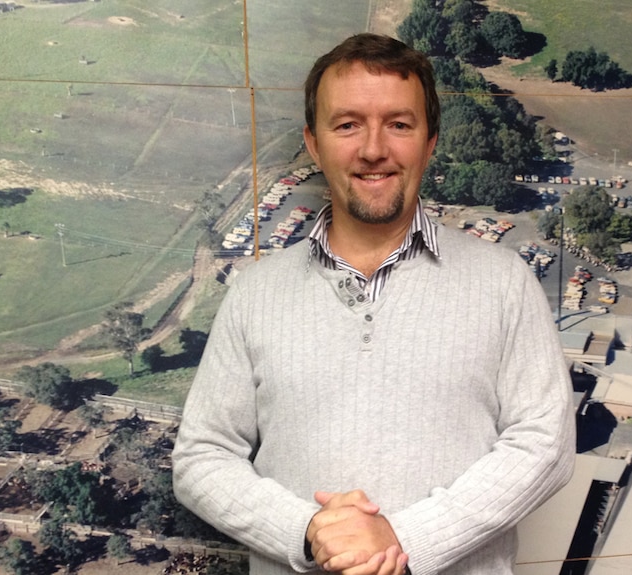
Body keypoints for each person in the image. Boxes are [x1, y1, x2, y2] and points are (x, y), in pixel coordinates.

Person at [172, 33, 575, 575]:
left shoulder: (505, 283)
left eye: (399, 124)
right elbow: (202, 457)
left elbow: (545, 446)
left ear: (430, 141)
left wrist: (404, 539)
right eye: (347, 125)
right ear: (313, 145)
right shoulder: (254, 293)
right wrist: (306, 532)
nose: (372, 149)